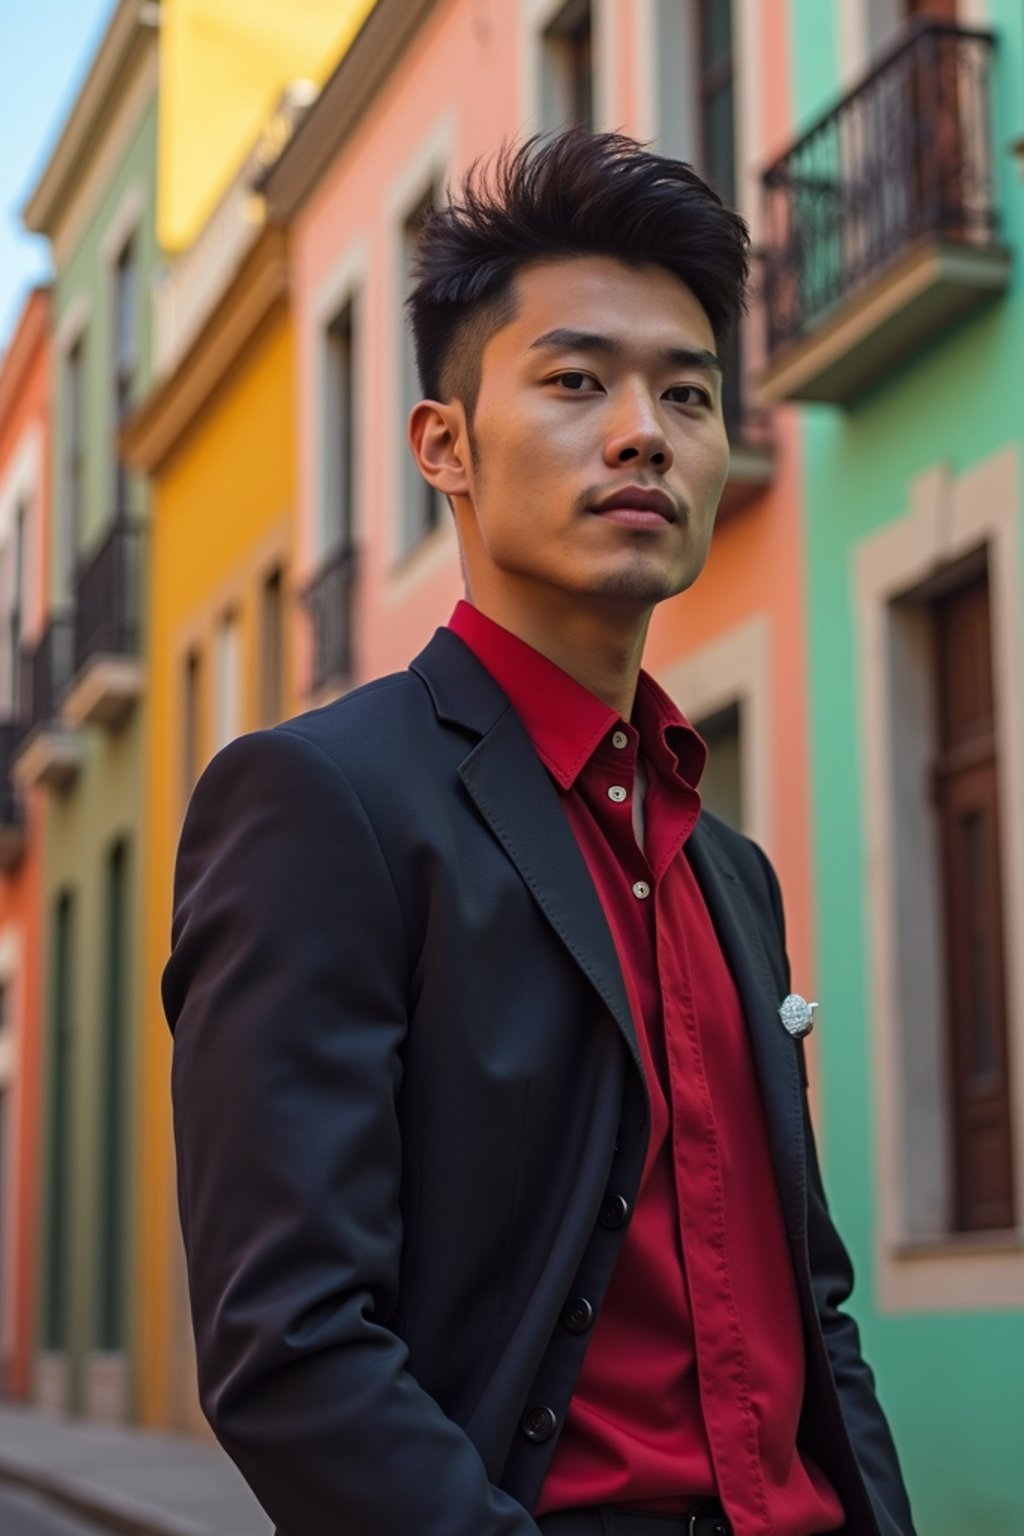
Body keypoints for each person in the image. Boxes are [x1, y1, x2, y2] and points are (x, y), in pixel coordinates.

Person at [163, 130, 916, 1536]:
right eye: (577, 381)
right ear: (442, 444)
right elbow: (293, 1344)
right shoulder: (322, 806)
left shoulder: (728, 870)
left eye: (687, 393)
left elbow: (810, 1308)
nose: (645, 429)